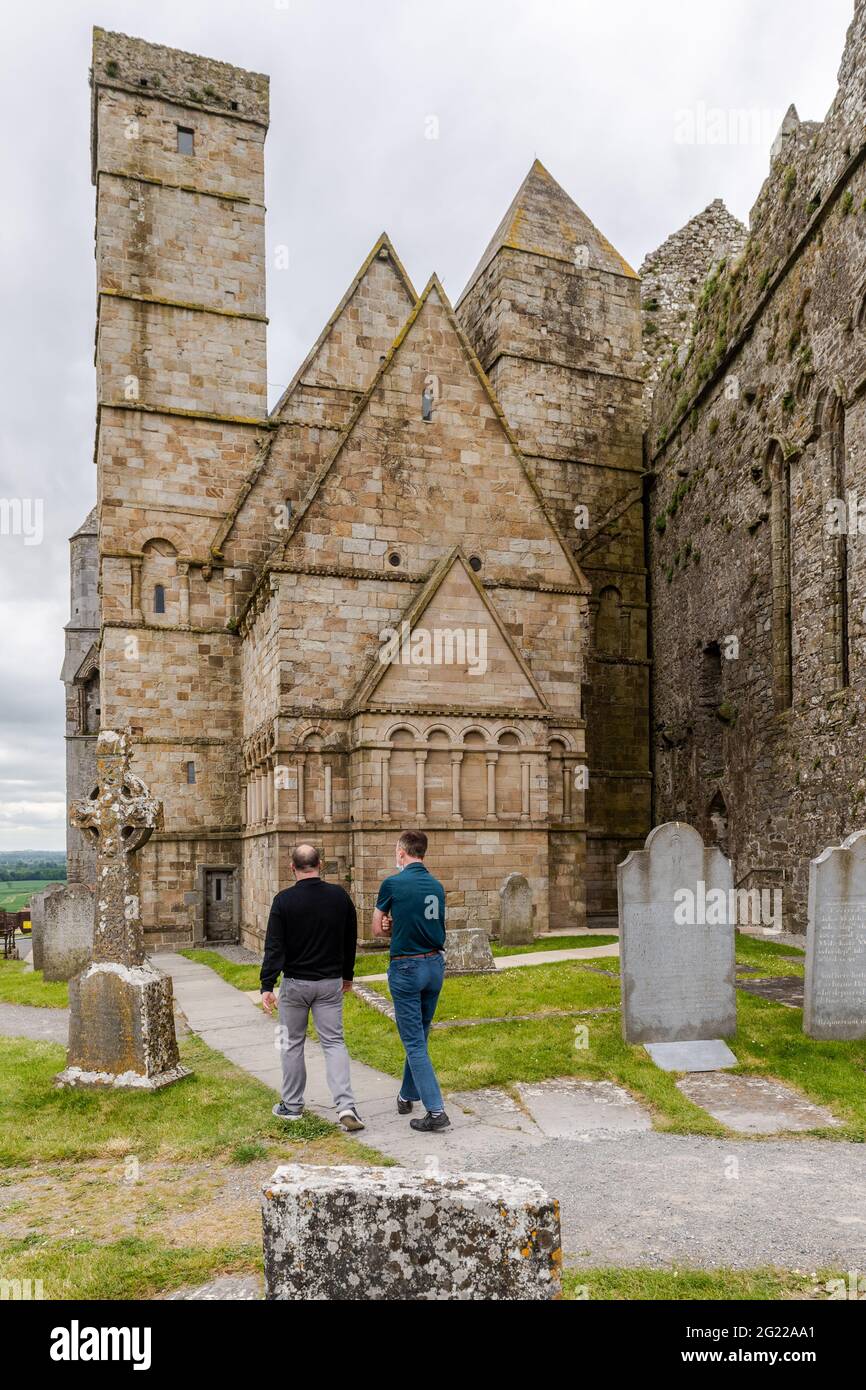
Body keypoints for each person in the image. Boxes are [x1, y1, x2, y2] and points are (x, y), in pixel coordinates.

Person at [260, 843, 364, 1132]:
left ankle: (292, 1105)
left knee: (291, 1043)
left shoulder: (283, 901)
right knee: (334, 1042)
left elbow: (274, 946)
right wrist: (347, 976)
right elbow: (349, 939)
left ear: (292, 867)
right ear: (321, 864)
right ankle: (345, 1105)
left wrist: (267, 984)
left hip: (295, 984)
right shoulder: (339, 897)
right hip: (330, 983)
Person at [373, 829, 450, 1132]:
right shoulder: (437, 886)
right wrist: (399, 922)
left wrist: (389, 925)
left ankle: (436, 1111)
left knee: (415, 1042)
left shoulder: (392, 883)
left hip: (406, 967)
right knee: (420, 1033)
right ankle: (407, 1094)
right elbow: (425, 921)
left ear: (402, 853)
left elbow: (377, 929)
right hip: (434, 965)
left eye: (396, 851)